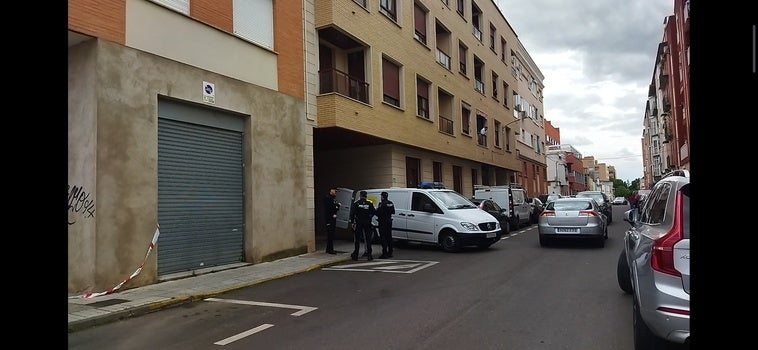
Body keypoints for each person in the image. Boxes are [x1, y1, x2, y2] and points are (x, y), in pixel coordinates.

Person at [349, 190, 376, 261]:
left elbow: (352, 213)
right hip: (367, 222)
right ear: (366, 196)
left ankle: (356, 255)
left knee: (357, 239)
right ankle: (369, 255)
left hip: (359, 223)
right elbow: (374, 212)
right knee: (368, 239)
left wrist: (352, 222)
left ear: (360, 196)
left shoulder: (356, 203)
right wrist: (370, 217)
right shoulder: (369, 203)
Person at [375, 191, 395, 259]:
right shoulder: (391, 203)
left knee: (383, 238)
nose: (381, 197)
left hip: (383, 222)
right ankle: (390, 252)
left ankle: (384, 253)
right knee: (389, 237)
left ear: (382, 197)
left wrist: (376, 210)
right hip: (389, 221)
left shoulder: (382, 204)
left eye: (381, 196)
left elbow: (378, 213)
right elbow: (393, 212)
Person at [322, 188, 341, 254]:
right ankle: (330, 250)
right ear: (331, 191)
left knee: (331, 235)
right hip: (330, 219)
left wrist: (336, 206)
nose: (335, 192)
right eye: (334, 191)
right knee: (330, 235)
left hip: (331, 218)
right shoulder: (328, 198)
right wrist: (338, 206)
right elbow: (331, 208)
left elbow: (334, 207)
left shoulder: (332, 199)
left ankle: (329, 249)